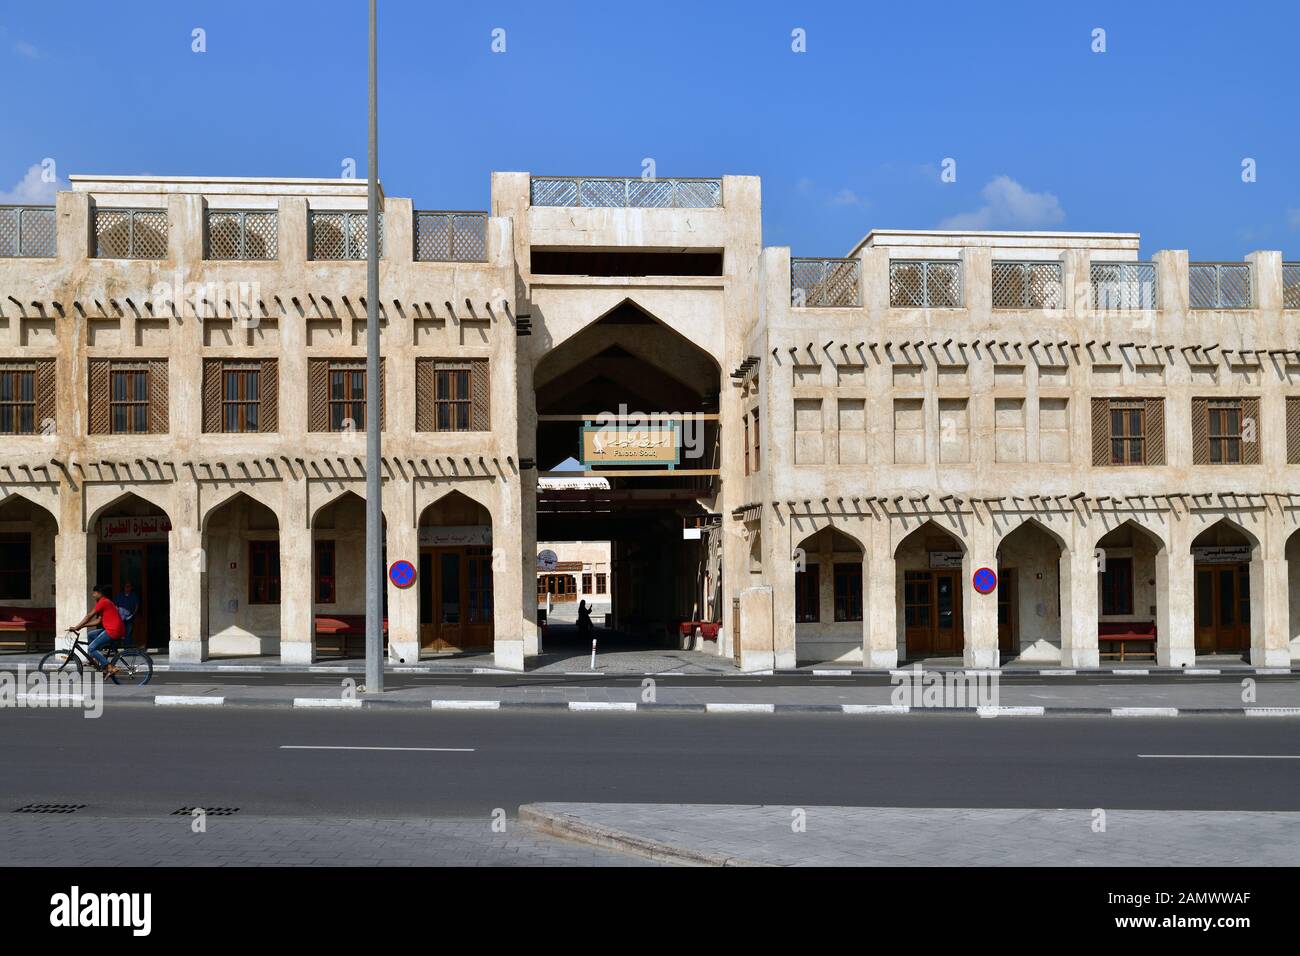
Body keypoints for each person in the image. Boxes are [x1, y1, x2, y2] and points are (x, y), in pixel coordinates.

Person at [70, 583, 125, 675]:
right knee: (91, 635)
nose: (93, 595)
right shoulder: (105, 602)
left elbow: (89, 616)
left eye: (94, 593)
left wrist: (77, 627)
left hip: (113, 630)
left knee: (91, 648)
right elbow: (98, 621)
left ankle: (110, 667)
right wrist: (83, 626)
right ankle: (95, 660)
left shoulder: (103, 602)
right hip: (112, 629)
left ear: (100, 593)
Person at [116, 581, 141, 647]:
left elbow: (136, 606)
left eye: (129, 586)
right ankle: (118, 646)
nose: (127, 588)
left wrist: (133, 615)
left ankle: (127, 647)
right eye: (126, 586)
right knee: (120, 632)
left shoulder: (134, 595)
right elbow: (116, 605)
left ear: (131, 588)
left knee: (129, 632)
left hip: (130, 617)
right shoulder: (120, 595)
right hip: (120, 618)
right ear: (124, 587)